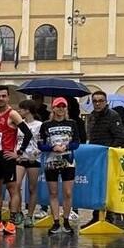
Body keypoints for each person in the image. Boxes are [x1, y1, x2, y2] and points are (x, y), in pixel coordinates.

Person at [0, 85, 32, 235]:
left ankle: (12, 221)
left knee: (13, 189)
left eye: (3, 96)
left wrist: (18, 152)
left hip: (7, 157)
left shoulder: (13, 114)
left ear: (8, 98)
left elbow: (27, 134)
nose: (0, 99)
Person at [38, 97, 80, 235]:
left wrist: (66, 146)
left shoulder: (72, 123)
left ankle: (66, 221)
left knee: (68, 193)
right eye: (58, 106)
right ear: (53, 108)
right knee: (53, 193)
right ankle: (56, 222)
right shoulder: (46, 125)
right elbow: (40, 144)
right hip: (51, 162)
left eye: (63, 106)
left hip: (68, 161)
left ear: (66, 108)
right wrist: (52, 147)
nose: (61, 109)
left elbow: (77, 142)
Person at [84, 91, 124, 228]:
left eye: (100, 101)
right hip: (95, 158)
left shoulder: (113, 116)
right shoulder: (91, 117)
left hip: (109, 158)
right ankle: (96, 216)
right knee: (97, 188)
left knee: (109, 188)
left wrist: (108, 151)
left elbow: (119, 137)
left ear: (105, 101)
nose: (97, 103)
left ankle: (113, 216)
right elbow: (91, 136)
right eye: (95, 101)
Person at [16, 100, 43, 228]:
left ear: (27, 110)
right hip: (20, 159)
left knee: (32, 188)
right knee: (16, 185)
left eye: (21, 109)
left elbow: (41, 142)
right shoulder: (19, 125)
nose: (19, 111)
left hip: (33, 159)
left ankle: (30, 216)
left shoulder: (39, 125)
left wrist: (36, 154)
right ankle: (19, 212)